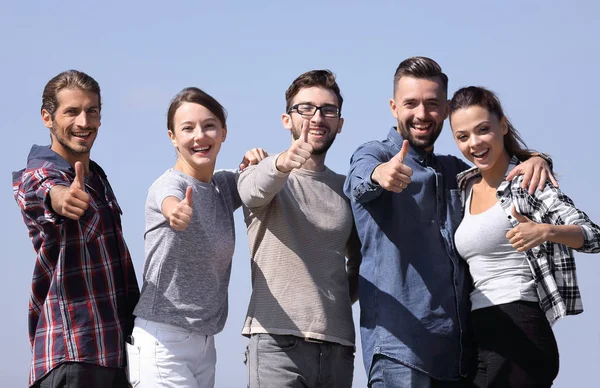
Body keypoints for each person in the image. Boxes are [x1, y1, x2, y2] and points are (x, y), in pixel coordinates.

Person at [344, 57, 554, 387]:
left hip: (460, 358)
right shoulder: (376, 154)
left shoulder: (456, 171)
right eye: (410, 103)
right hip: (401, 355)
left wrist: (538, 160)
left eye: (432, 104)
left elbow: (500, 162)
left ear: (445, 109)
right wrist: (379, 175)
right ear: (393, 106)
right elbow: (358, 178)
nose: (421, 114)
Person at [449, 85, 600, 387]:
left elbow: (593, 235)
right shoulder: (463, 186)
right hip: (480, 330)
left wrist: (545, 231)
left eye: (483, 130)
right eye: (462, 136)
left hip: (519, 325)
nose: (474, 143)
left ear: (502, 125)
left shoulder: (527, 183)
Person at [128, 87, 266, 388]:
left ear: (223, 132)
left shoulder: (222, 186)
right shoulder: (169, 184)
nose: (199, 136)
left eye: (209, 126)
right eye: (187, 128)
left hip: (205, 342)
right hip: (161, 340)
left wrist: (252, 162)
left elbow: (249, 178)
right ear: (172, 137)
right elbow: (169, 200)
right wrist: (174, 212)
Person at [13, 70, 140, 388]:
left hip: (115, 355)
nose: (84, 121)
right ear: (47, 117)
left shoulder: (96, 177)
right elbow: (41, 188)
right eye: (72, 111)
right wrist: (61, 198)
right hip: (73, 353)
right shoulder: (40, 173)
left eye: (92, 110)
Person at [237, 70, 361, 388]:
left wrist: (331, 300)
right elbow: (251, 193)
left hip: (338, 346)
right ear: (286, 119)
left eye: (327, 110)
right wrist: (282, 162)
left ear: (340, 123)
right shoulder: (260, 168)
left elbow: (362, 261)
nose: (317, 118)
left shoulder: (347, 189)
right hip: (276, 344)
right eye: (305, 108)